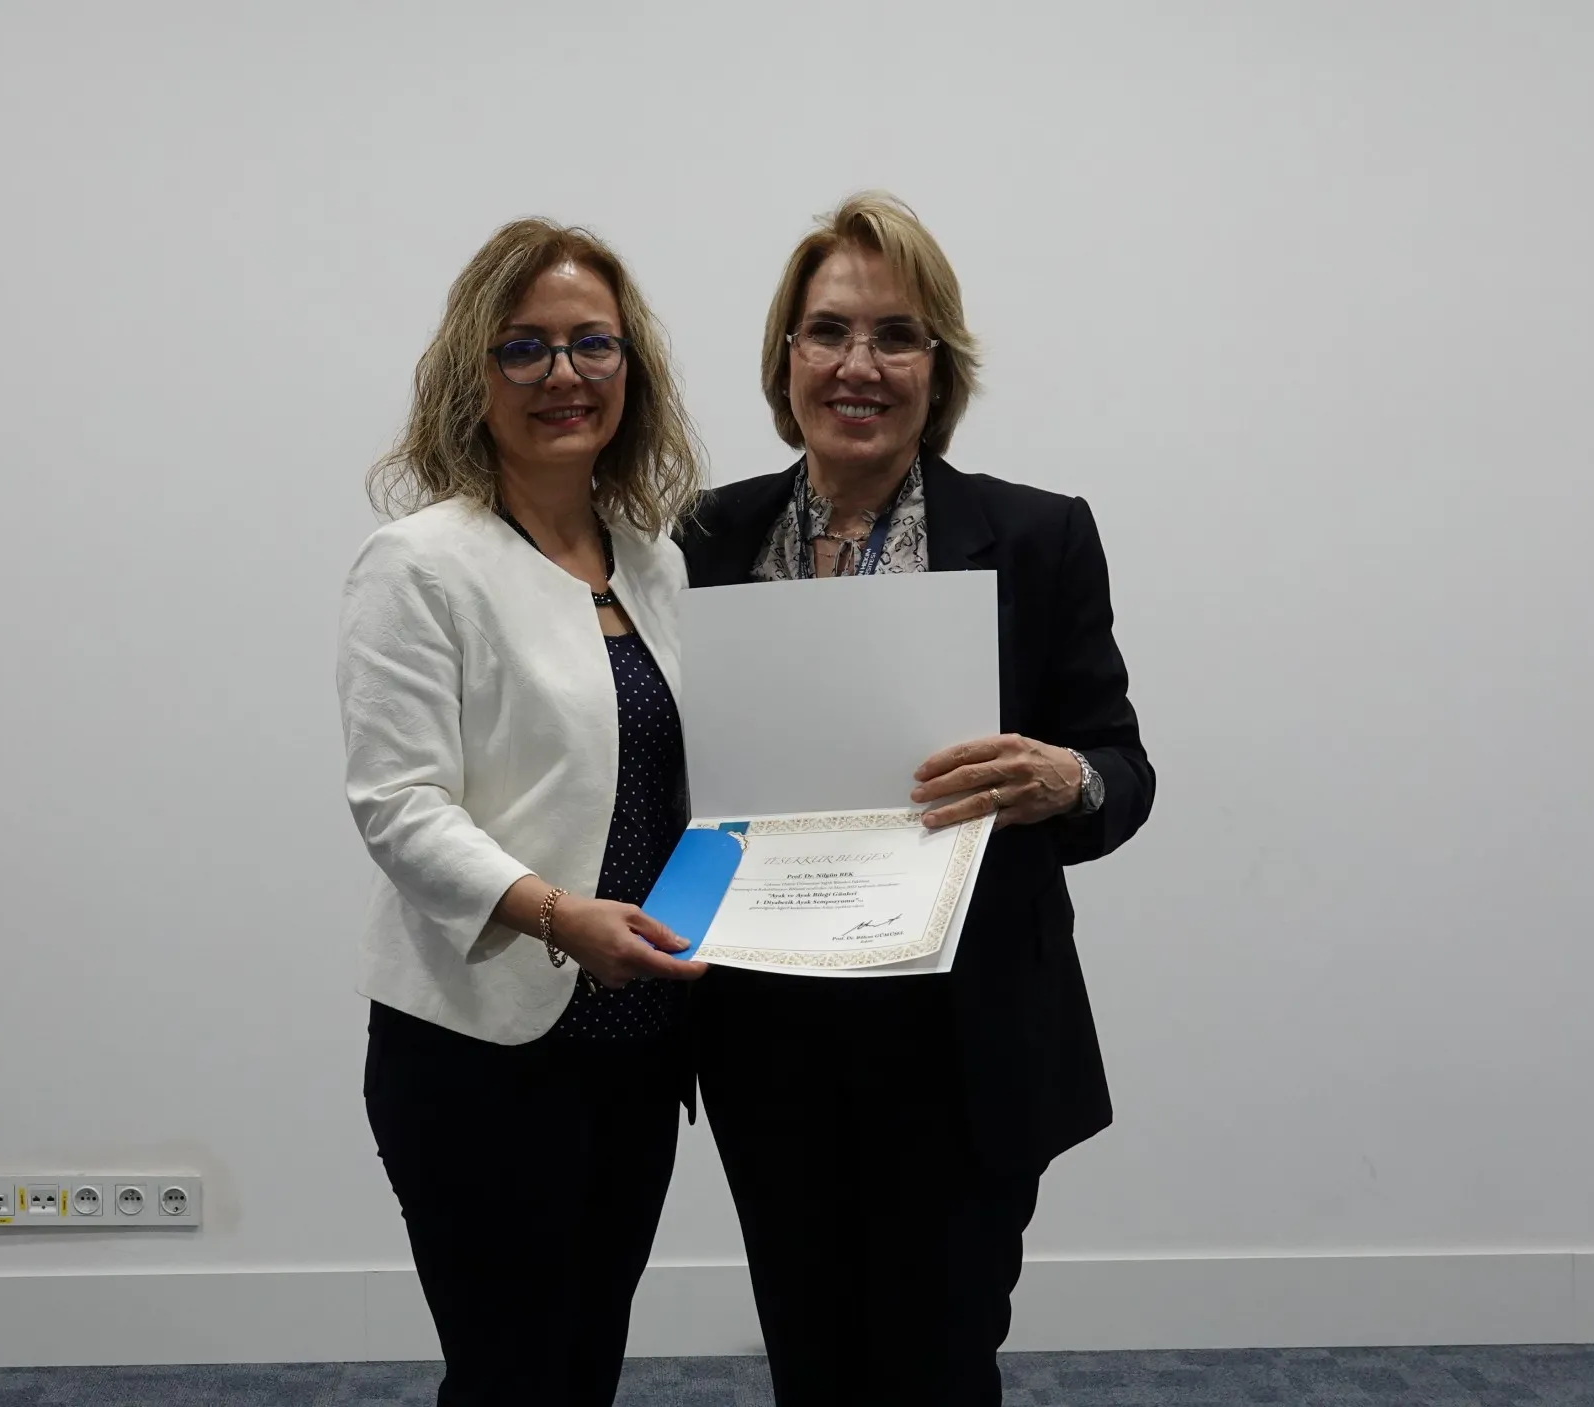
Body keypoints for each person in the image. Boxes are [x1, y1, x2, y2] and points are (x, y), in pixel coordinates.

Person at [676, 192, 1157, 1406]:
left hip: (966, 1040)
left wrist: (1066, 778)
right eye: (828, 332)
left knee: (938, 1359)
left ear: (938, 368)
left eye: (896, 336)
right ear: (785, 357)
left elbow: (1121, 765)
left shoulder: (1038, 537)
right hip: (767, 1032)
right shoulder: (697, 540)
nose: (859, 365)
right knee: (810, 1353)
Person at [337, 217, 711, 1406]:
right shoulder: (418, 564)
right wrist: (558, 916)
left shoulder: (654, 562)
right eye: (524, 347)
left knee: (587, 1360)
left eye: (592, 343)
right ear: (475, 371)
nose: (564, 374)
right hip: (480, 1052)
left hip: (640, 1044)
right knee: (510, 1375)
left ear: (629, 367)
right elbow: (399, 808)